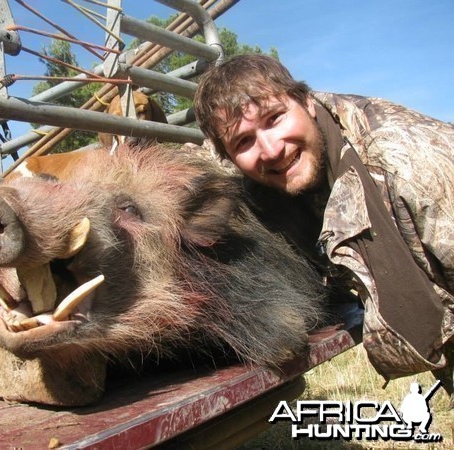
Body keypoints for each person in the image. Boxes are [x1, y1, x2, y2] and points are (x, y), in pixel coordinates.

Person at [193, 54, 454, 403]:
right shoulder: (282, 158)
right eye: (243, 141)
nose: (271, 150)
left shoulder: (409, 161)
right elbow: (194, 166)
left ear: (307, 102)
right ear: (229, 156)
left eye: (275, 118)